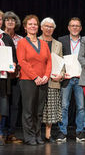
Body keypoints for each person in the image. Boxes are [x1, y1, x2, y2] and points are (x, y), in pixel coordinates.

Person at [17, 15, 52, 145]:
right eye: (30, 24)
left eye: (35, 24)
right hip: (28, 80)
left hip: (43, 80)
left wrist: (46, 76)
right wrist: (35, 77)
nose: (33, 26)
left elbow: (49, 61)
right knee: (28, 111)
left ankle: (38, 135)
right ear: (25, 27)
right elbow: (22, 61)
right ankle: (29, 137)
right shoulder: (22, 42)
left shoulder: (43, 43)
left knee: (39, 111)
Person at [56, 17, 85, 143]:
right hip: (67, 78)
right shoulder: (61, 40)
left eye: (77, 26)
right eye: (72, 25)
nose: (75, 28)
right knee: (64, 106)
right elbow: (58, 59)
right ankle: (62, 132)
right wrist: (62, 73)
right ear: (68, 27)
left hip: (81, 78)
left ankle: (80, 132)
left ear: (80, 28)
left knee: (81, 107)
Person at [39, 17, 63, 143]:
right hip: (37, 80)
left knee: (51, 109)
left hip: (53, 80)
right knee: (37, 108)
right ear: (41, 27)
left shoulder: (58, 44)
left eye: (51, 27)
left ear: (53, 29)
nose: (48, 29)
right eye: (46, 26)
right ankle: (37, 133)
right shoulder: (35, 41)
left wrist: (61, 75)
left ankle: (48, 135)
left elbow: (62, 62)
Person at [1, 11, 23, 144]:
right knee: (3, 104)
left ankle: (11, 133)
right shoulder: (2, 36)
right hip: (2, 76)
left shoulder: (20, 39)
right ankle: (2, 132)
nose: (10, 22)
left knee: (14, 105)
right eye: (7, 20)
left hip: (16, 76)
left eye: (13, 20)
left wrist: (17, 65)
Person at [0, 11, 17, 146]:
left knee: (3, 107)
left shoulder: (6, 38)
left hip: (4, 78)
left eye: (1, 19)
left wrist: (14, 64)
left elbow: (13, 58)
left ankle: (1, 134)